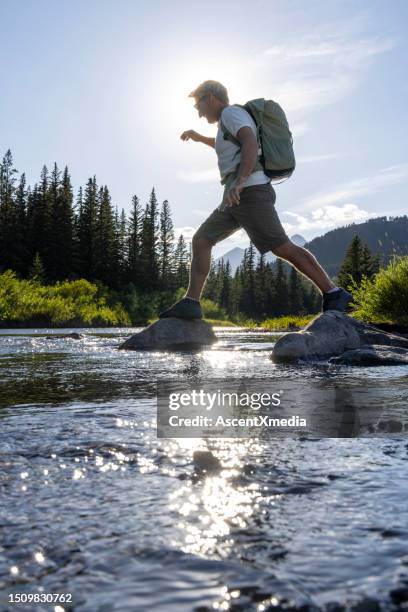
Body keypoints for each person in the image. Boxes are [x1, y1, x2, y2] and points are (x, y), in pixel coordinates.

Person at [160, 80, 352, 320]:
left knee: (282, 247)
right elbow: (230, 145)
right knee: (202, 239)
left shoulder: (231, 113)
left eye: (198, 105)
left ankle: (334, 293)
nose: (198, 113)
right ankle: (191, 303)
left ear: (210, 97)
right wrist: (201, 138)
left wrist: (240, 181)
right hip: (236, 197)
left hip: (249, 192)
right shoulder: (226, 122)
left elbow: (250, 141)